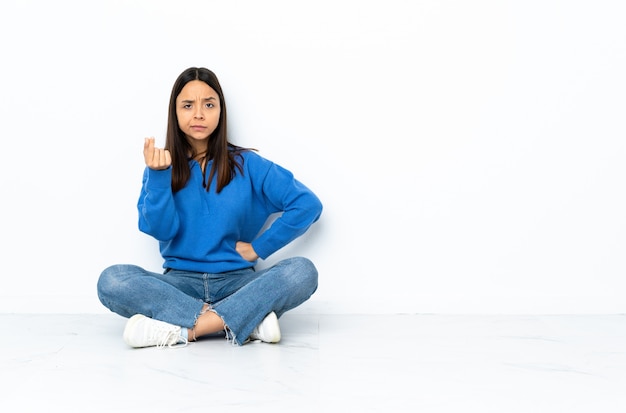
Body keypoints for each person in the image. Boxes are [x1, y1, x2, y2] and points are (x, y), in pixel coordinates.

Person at [97, 67, 322, 349]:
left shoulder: (248, 165)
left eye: (209, 104)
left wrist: (258, 248)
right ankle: (245, 321)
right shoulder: (161, 167)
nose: (199, 114)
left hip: (238, 282)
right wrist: (158, 176)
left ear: (220, 111)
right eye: (188, 105)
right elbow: (159, 230)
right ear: (175, 112)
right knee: (113, 280)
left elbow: (307, 205)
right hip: (180, 285)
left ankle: (183, 331)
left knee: (301, 271)